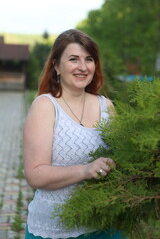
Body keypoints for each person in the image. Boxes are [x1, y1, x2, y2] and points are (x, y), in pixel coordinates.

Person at [23, 29, 126, 239]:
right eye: (73, 59)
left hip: (104, 224)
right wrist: (85, 170)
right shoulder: (45, 106)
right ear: (56, 66)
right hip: (56, 228)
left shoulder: (107, 106)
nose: (82, 67)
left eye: (89, 59)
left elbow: (123, 160)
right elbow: (35, 174)